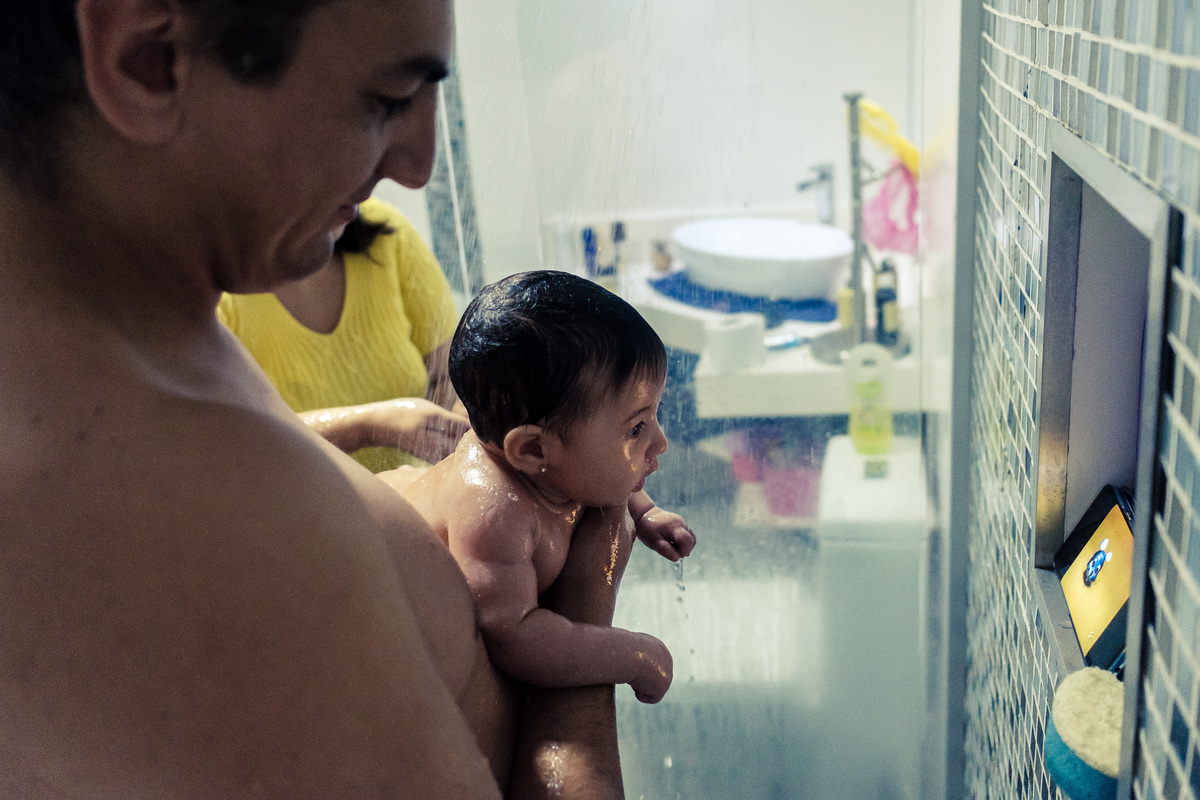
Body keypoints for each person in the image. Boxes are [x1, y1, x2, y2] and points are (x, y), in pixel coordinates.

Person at [0, 1, 630, 797]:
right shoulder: (192, 501)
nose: (418, 164)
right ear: (148, 59)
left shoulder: (144, 341)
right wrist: (584, 601)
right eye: (386, 100)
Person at [400, 271, 697, 705]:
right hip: (373, 555)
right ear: (533, 450)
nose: (661, 441)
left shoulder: (555, 462)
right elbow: (517, 637)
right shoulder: (493, 512)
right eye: (636, 427)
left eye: (654, 414)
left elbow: (604, 473)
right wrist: (634, 654)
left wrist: (645, 511)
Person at [217, 195, 470, 470]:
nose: (357, 192)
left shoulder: (387, 231)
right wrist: (366, 427)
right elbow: (231, 440)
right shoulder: (215, 292)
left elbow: (452, 378)